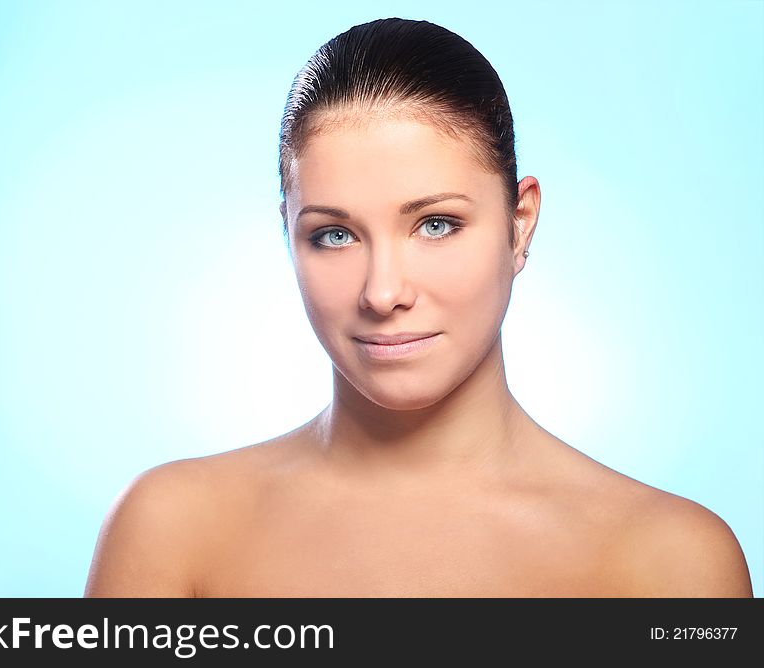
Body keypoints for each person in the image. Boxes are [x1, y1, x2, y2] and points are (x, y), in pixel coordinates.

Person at [84, 17, 753, 597]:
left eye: (435, 224)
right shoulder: (173, 531)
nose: (383, 292)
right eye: (334, 235)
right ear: (288, 237)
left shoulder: (669, 561)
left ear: (520, 224)